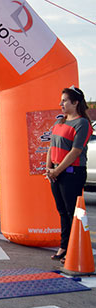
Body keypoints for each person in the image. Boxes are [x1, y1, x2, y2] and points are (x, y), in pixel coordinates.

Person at [45, 86, 92, 264]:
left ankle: (74, 249)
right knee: (62, 212)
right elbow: (51, 147)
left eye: (65, 100)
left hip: (72, 173)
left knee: (73, 212)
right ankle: (64, 246)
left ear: (75, 102)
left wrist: (57, 170)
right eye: (61, 100)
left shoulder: (82, 123)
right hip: (56, 173)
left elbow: (75, 151)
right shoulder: (60, 123)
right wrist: (49, 169)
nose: (61, 104)